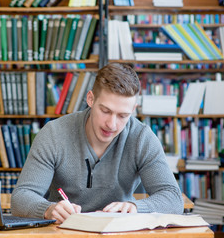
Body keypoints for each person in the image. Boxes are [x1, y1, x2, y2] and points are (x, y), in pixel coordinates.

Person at [11, 63, 183, 223]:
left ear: (133, 109)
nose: (112, 124)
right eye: (105, 111)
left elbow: (173, 199)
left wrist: (136, 207)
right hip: (63, 231)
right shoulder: (54, 134)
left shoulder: (141, 138)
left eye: (123, 115)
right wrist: (48, 209)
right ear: (91, 99)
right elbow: (21, 198)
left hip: (118, 231)